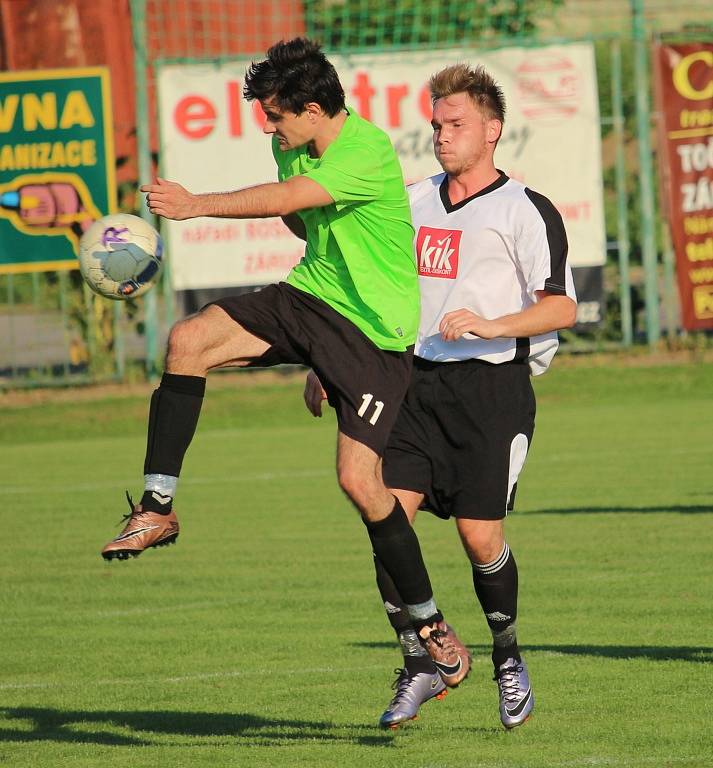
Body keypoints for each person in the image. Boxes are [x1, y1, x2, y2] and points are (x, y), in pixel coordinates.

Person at [99, 37, 465, 697]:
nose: (268, 126)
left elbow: (286, 197)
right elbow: (302, 220)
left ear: (315, 108)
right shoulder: (293, 142)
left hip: (373, 334)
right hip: (309, 296)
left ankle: (430, 625)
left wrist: (195, 204)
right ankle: (157, 507)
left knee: (359, 483)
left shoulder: (365, 149)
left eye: (275, 115)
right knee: (188, 340)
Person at [304, 62, 577, 730]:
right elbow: (371, 291)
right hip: (410, 386)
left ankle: (507, 658)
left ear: (492, 130)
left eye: (454, 124)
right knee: (384, 519)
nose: (440, 136)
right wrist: (330, 359)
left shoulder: (525, 209)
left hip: (489, 391)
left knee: (479, 536)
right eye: (434, 125)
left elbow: (561, 307)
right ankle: (423, 659)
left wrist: (494, 323)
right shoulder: (411, 201)